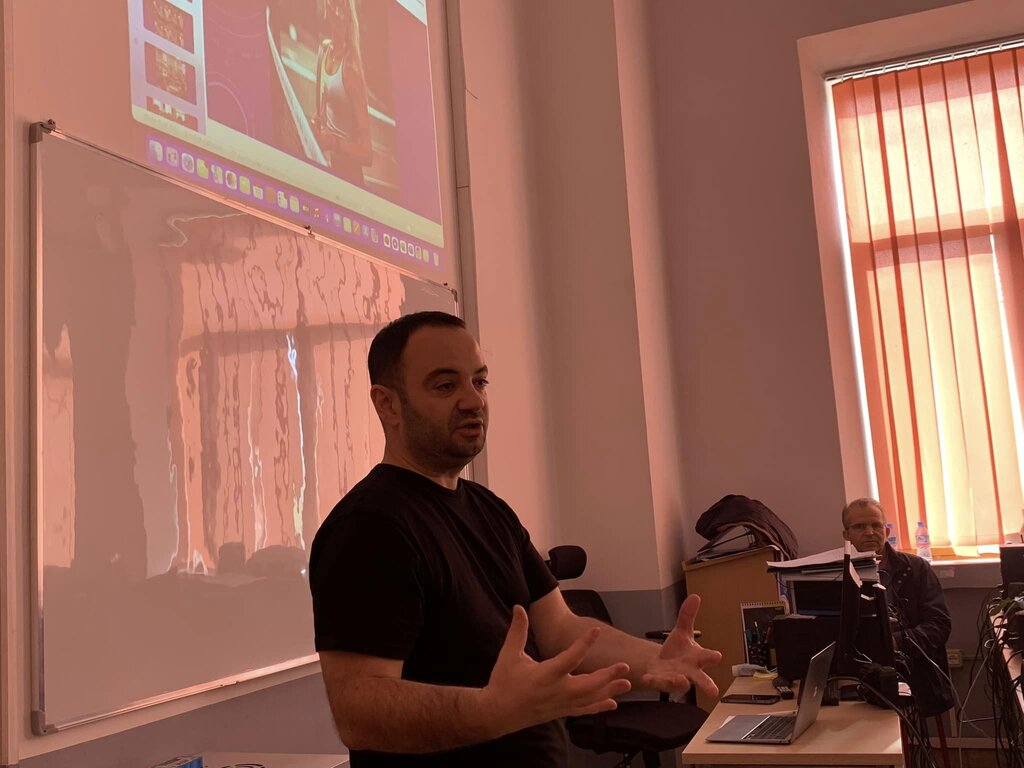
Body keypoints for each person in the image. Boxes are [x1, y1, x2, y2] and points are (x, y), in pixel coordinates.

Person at [309, 311, 722, 766]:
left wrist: (655, 660)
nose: (473, 401)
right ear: (387, 405)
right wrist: (489, 712)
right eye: (445, 386)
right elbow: (359, 711)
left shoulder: (490, 510)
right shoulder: (369, 527)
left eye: (480, 382)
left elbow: (560, 630)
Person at [841, 498, 954, 717]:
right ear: (846, 535)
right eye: (860, 527)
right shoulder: (837, 574)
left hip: (913, 672)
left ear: (886, 530)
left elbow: (939, 626)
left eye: (876, 525)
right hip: (856, 675)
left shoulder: (916, 568)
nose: (869, 532)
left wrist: (893, 642)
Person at [312, 0, 372, 184]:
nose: (338, 13)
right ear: (326, 7)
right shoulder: (324, 51)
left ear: (349, 17)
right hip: (332, 169)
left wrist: (334, 143)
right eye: (335, 4)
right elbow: (323, 114)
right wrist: (314, 123)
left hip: (351, 179)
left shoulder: (351, 69)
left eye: (344, 8)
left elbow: (367, 153)